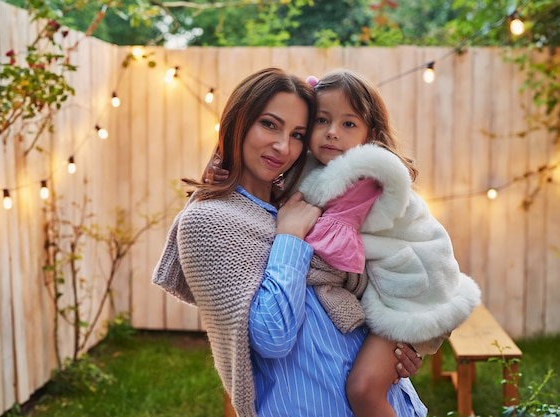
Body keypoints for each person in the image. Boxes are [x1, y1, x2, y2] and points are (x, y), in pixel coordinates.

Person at [152, 67, 428, 417]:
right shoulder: (209, 221)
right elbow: (272, 336)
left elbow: (367, 282)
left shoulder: (304, 199)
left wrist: (399, 348)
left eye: (298, 134)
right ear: (238, 122)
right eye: (269, 124)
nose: (283, 147)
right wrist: (289, 237)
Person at [294, 69, 482, 417]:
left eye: (348, 124)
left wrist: (288, 239)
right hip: (401, 283)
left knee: (364, 389)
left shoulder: (365, 175)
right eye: (322, 119)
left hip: (414, 293)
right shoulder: (319, 169)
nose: (332, 132)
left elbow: (332, 247)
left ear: (371, 134)